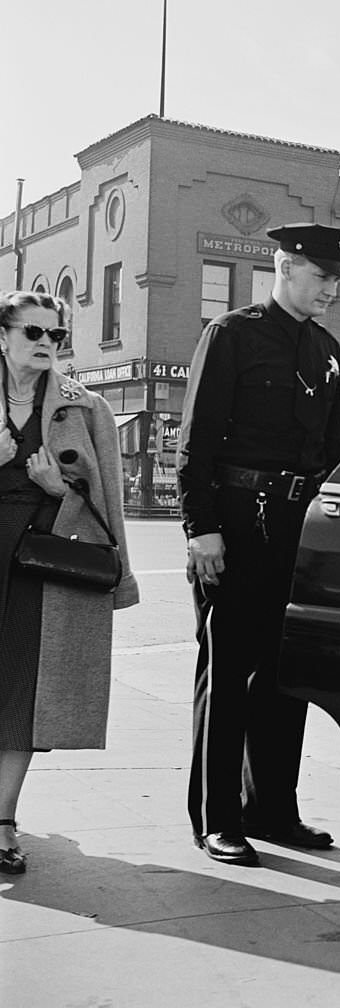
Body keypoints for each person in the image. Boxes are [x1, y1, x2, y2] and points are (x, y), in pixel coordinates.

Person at [177, 222, 340, 865]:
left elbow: (333, 449)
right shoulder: (232, 334)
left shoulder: (328, 349)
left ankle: (274, 810)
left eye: (337, 279)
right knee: (228, 674)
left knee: (286, 679)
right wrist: (201, 529)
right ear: (283, 266)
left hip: (296, 528)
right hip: (235, 522)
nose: (332, 289)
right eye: (321, 276)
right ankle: (218, 816)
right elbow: (196, 441)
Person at [0, 291, 139, 875]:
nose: (46, 345)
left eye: (56, 337)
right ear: (2, 336)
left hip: (40, 566)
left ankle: (3, 820)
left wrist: (62, 491)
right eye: (33, 332)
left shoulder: (88, 409)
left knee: (24, 692)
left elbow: (107, 500)